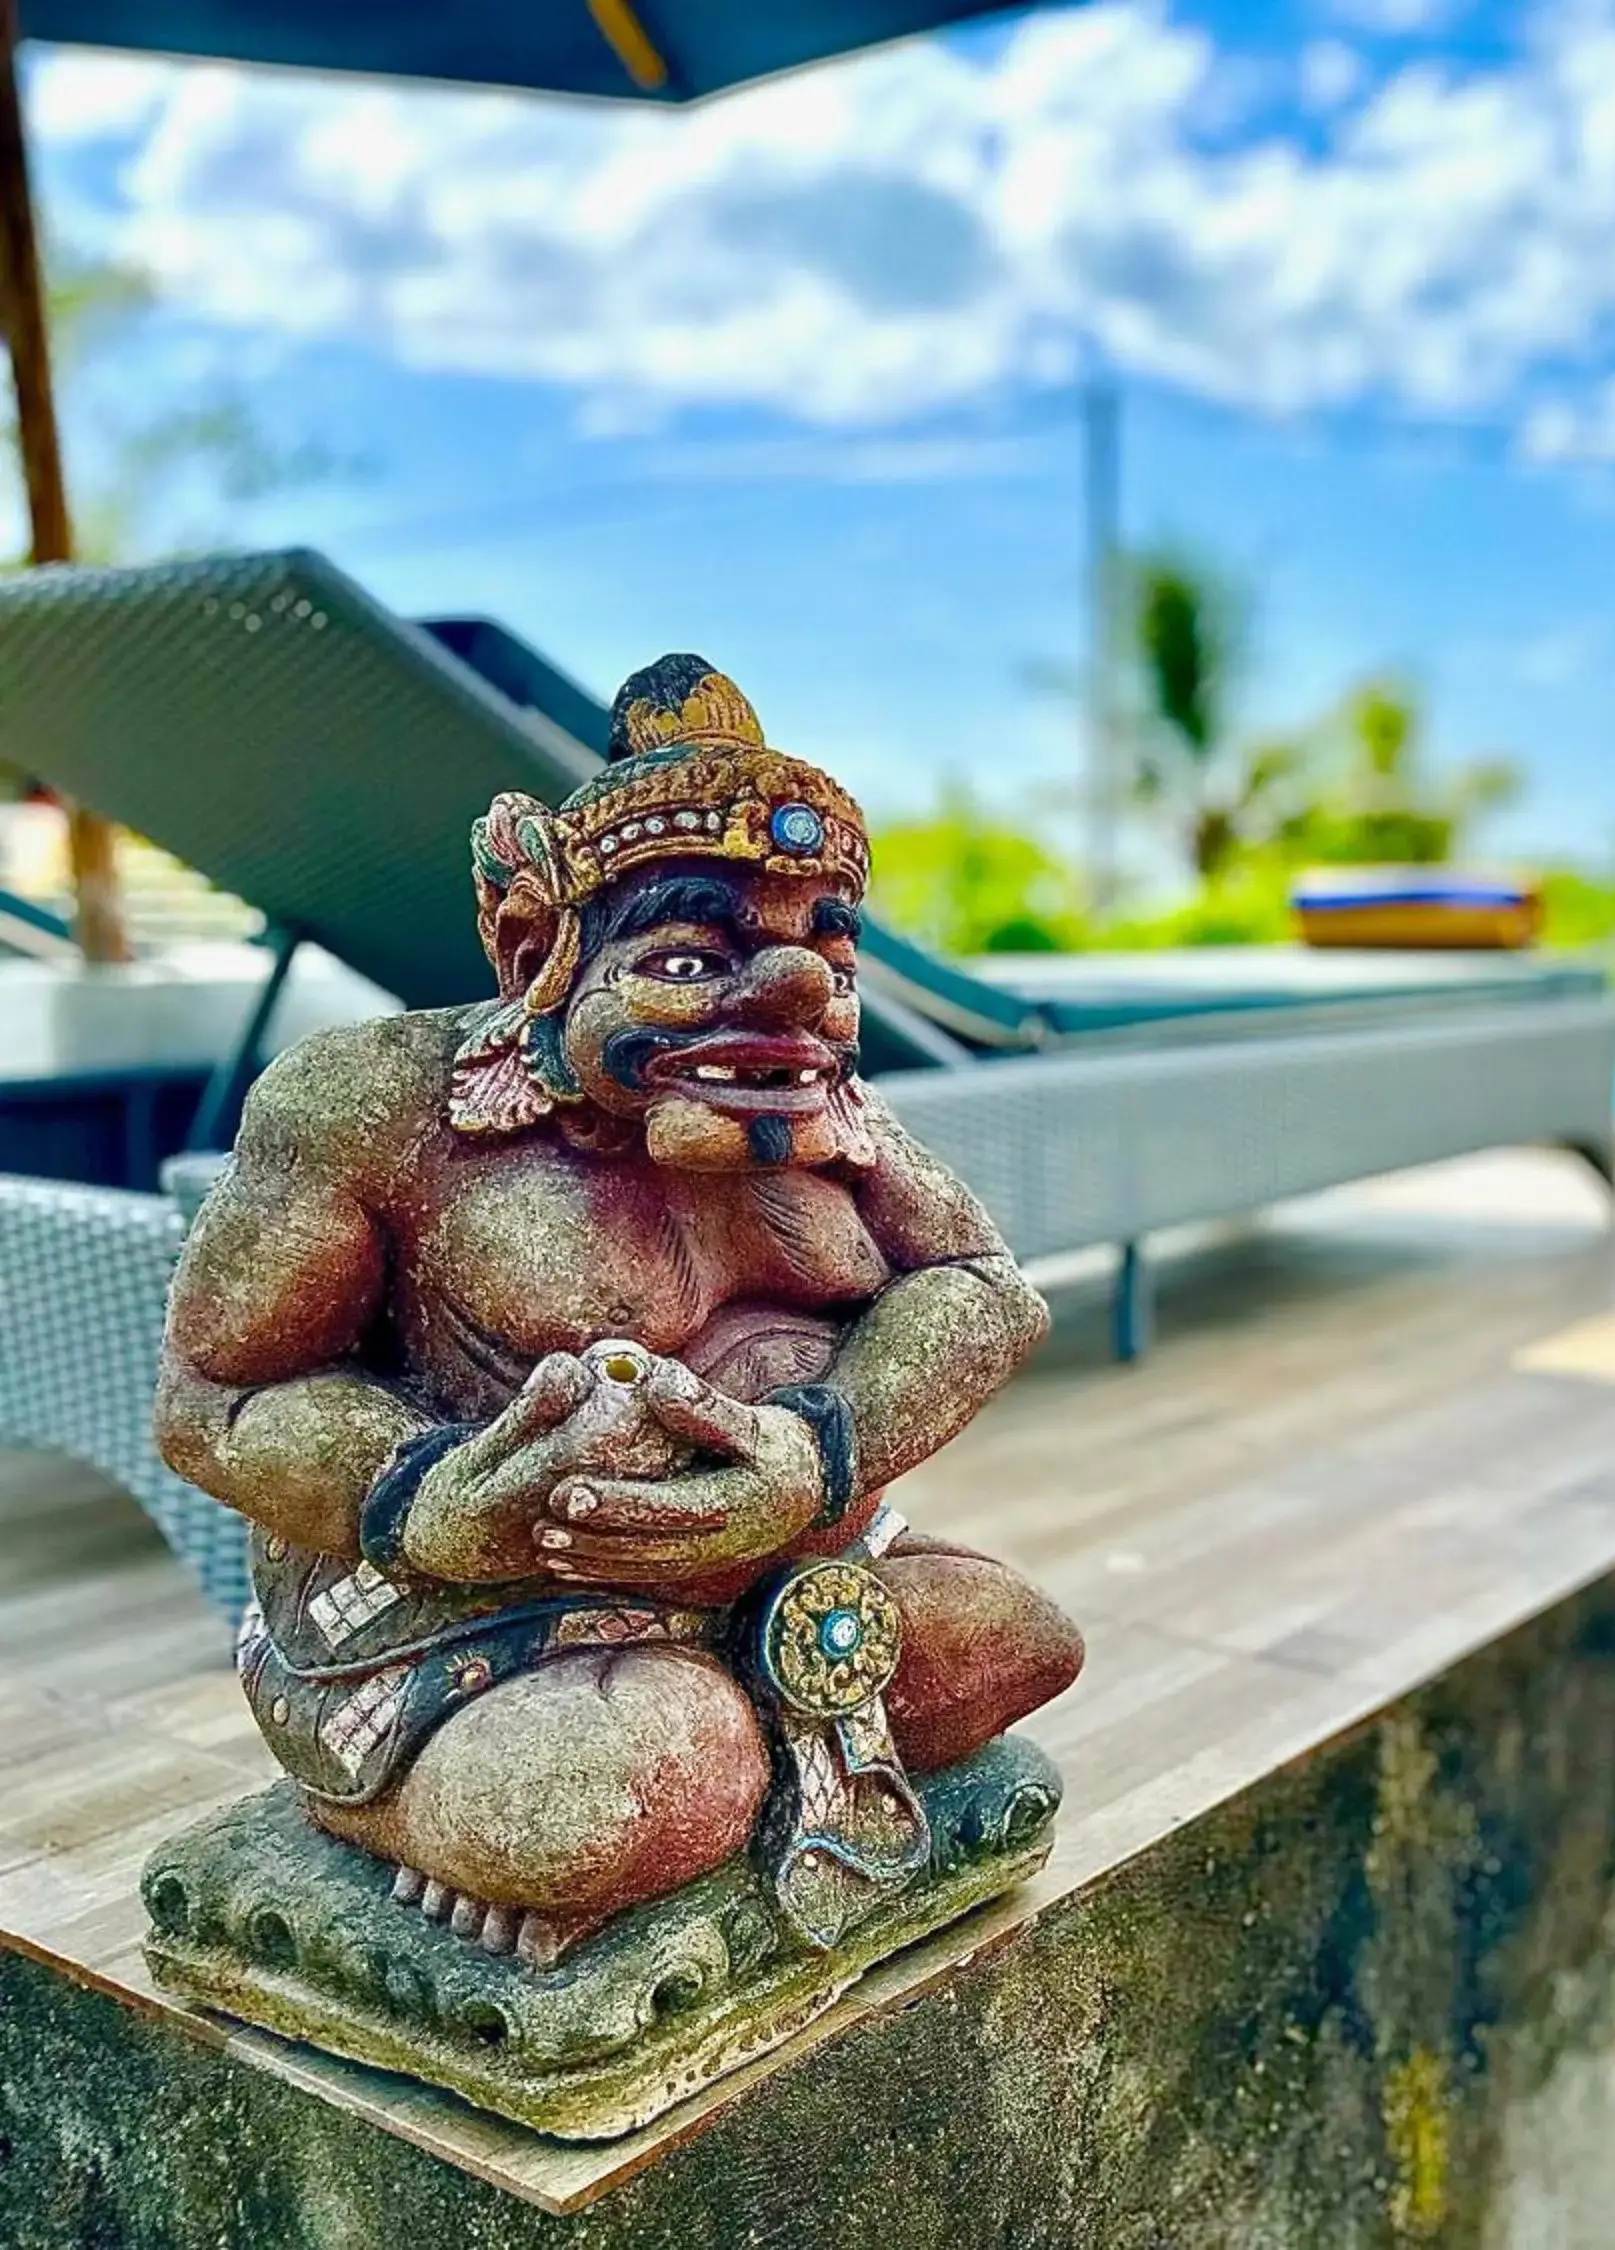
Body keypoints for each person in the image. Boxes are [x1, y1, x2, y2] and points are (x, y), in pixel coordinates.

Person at [155, 656, 1082, 1965]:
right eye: (697, 955)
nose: (800, 998)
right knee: (644, 1778)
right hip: (479, 1621)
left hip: (792, 1569)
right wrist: (430, 1499)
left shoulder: (817, 1106)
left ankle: (728, 1750)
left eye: (828, 949)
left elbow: (985, 1291)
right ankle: (409, 1798)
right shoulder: (375, 1107)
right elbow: (216, 1398)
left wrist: (816, 1452)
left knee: (1020, 1642)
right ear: (540, 953)